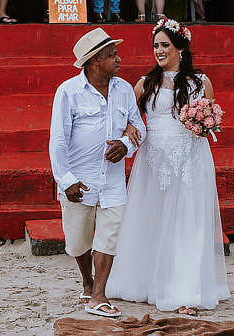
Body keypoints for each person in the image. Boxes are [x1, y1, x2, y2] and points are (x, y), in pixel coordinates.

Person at [106, 18, 228, 316]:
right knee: (154, 219)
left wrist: (203, 124)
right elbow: (126, 116)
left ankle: (184, 290)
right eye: (155, 46)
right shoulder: (145, 84)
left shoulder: (200, 83)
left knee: (188, 222)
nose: (159, 51)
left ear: (180, 48)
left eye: (165, 45)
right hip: (154, 160)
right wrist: (129, 131)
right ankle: (148, 281)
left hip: (190, 158)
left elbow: (209, 117)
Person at [49, 28, 145, 319]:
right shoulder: (68, 92)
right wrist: (65, 181)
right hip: (80, 182)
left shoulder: (125, 89)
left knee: (109, 236)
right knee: (78, 241)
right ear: (94, 62)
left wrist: (126, 145)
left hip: (113, 180)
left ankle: (99, 295)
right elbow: (58, 140)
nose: (118, 59)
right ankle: (88, 281)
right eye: (111, 55)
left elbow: (139, 127)